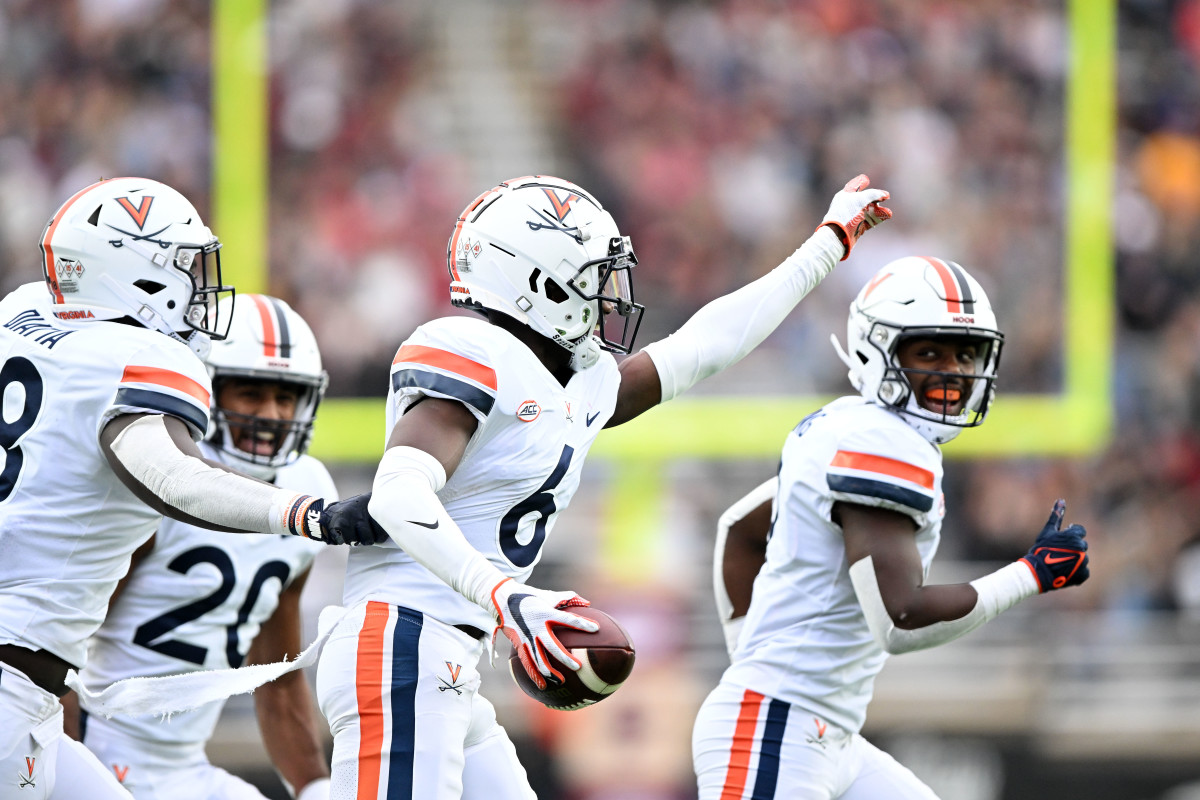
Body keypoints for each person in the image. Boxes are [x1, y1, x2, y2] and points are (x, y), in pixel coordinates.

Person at [313, 172, 893, 799]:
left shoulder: (579, 383)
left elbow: (708, 344)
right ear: (540, 282)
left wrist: (826, 245)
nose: (611, 296)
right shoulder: (472, 349)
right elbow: (398, 496)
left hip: (448, 654)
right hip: (399, 641)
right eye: (595, 277)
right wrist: (509, 598)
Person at [0, 177, 378, 800]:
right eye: (183, 268)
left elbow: (277, 677)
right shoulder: (141, 360)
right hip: (22, 676)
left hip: (32, 689)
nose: (201, 288)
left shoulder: (24, 313)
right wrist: (314, 516)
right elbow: (174, 477)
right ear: (138, 277)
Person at [694, 256, 1091, 799]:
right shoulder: (877, 443)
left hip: (824, 733)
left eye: (966, 354)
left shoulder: (844, 424)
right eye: (929, 351)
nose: (953, 370)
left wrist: (755, 658)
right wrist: (1031, 574)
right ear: (875, 348)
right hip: (774, 732)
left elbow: (738, 529)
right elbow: (900, 620)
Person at [65, 294, 334, 800]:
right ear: (206, 392)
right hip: (99, 750)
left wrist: (315, 787)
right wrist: (61, 762)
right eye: (250, 394)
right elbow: (66, 644)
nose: (272, 415)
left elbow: (276, 679)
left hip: (185, 769)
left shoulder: (307, 490)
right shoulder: (164, 476)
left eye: (286, 397)